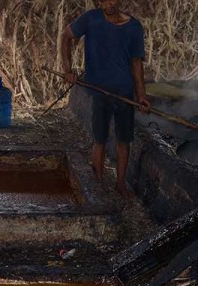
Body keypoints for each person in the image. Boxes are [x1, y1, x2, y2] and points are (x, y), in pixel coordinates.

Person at [60, 0, 151, 199]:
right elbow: (66, 37)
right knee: (99, 139)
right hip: (99, 91)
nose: (107, 3)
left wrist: (141, 95)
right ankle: (98, 182)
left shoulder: (134, 27)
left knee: (123, 140)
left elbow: (136, 64)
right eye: (103, 0)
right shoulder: (90, 19)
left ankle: (120, 183)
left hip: (124, 93)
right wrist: (68, 70)